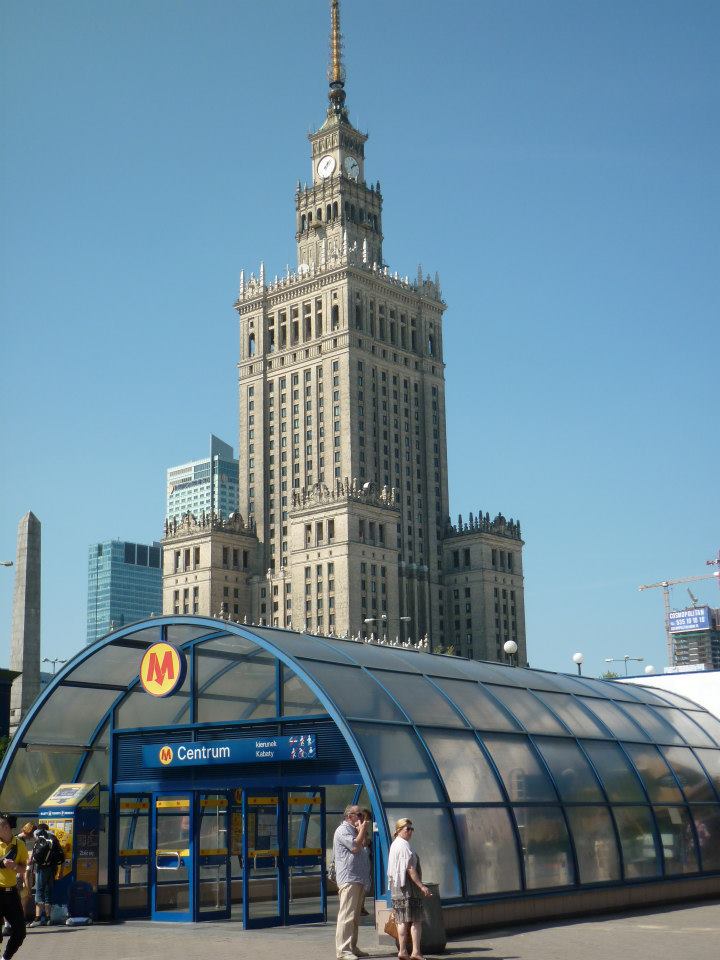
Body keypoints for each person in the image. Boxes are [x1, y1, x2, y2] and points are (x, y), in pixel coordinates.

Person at [387, 818, 431, 960]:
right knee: (416, 920)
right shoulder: (404, 845)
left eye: (412, 829)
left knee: (401, 920)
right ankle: (416, 952)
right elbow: (410, 868)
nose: (411, 831)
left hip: (397, 888)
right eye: (408, 829)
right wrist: (421, 886)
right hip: (408, 888)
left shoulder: (395, 844)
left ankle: (402, 951)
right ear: (399, 830)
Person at [333, 804, 371, 960]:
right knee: (347, 916)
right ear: (349, 816)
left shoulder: (355, 830)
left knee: (354, 917)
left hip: (359, 878)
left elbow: (364, 844)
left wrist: (362, 830)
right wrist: (362, 830)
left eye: (363, 815)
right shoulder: (342, 830)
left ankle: (352, 947)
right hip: (349, 878)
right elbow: (355, 847)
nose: (363, 818)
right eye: (359, 815)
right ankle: (343, 950)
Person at [0, 813, 27, 960]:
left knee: (20, 931)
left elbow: (23, 868)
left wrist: (14, 866)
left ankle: (6, 958)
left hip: (11, 893)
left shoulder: (19, 844)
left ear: (5, 827)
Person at [27, 825, 63, 927]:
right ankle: (48, 919)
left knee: (39, 892)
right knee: (48, 893)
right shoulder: (54, 839)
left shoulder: (40, 838)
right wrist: (61, 872)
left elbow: (33, 857)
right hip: (52, 869)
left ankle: (37, 918)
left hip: (41, 869)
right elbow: (61, 857)